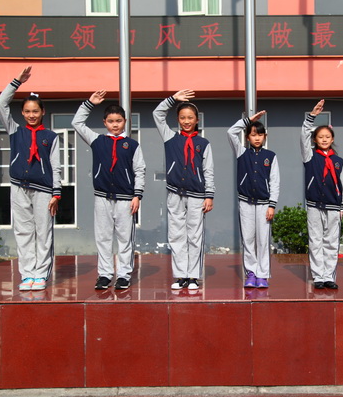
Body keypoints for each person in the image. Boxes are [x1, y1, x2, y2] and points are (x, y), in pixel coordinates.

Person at [0, 66, 61, 291]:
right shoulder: (15, 131)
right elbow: (0, 104)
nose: (31, 115)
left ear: (43, 112)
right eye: (27, 111)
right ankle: (27, 275)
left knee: (43, 232)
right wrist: (16, 82)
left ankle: (41, 274)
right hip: (18, 187)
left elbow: (56, 166)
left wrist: (56, 193)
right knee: (23, 232)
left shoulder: (51, 137)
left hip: (43, 190)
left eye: (35, 111)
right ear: (22, 113)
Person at [72, 90, 146, 290]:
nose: (115, 125)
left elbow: (140, 170)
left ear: (125, 122)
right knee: (103, 238)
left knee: (125, 239)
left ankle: (124, 275)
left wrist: (137, 195)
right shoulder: (97, 141)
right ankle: (104, 275)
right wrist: (89, 103)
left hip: (125, 199)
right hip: (102, 197)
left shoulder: (132, 145)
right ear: (104, 122)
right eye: (111, 121)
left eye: (119, 121)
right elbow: (77, 123)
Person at [153, 90, 214, 290]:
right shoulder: (170, 137)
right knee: (176, 235)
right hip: (175, 193)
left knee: (195, 236)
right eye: (182, 118)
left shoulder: (203, 144)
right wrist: (172, 99)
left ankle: (193, 276)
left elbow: (208, 170)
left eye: (190, 118)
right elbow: (157, 114)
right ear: (178, 119)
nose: (186, 121)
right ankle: (181, 275)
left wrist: (209, 195)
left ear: (197, 120)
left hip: (197, 195)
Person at [227, 111, 280, 288]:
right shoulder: (241, 152)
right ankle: (251, 273)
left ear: (265, 136)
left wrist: (272, 205)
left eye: (260, 134)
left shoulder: (271, 156)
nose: (257, 138)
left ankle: (262, 275)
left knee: (263, 240)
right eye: (253, 134)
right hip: (246, 203)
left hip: (264, 205)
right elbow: (230, 132)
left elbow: (275, 182)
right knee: (248, 239)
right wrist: (248, 121)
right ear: (247, 137)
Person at [301, 100, 343, 290]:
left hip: (334, 206)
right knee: (315, 241)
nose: (324, 139)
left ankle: (329, 276)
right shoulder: (310, 156)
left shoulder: (339, 161)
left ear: (332, 138)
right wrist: (312, 116)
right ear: (315, 140)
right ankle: (318, 276)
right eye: (320, 137)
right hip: (314, 205)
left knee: (331, 243)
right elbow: (303, 135)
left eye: (327, 136)